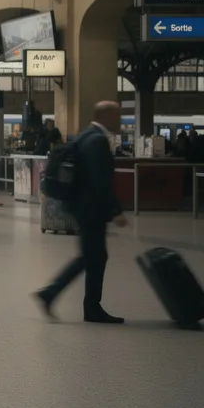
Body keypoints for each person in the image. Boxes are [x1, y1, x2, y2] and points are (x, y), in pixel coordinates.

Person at [34, 101, 129, 324]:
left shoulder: (86, 135)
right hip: (90, 208)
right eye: (117, 115)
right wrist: (115, 210)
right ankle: (54, 295)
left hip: (82, 205)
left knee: (94, 256)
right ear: (106, 115)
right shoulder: (97, 140)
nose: (120, 120)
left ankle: (87, 306)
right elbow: (99, 180)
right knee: (91, 256)